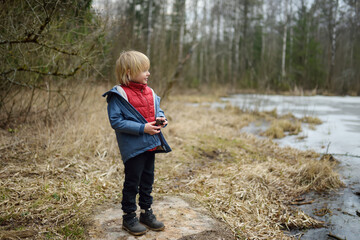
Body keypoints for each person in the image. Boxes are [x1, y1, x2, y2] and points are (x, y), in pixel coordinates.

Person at [102, 50, 171, 236]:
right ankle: (129, 217)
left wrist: (161, 118)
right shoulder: (119, 95)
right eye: (144, 70)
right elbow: (116, 122)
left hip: (150, 144)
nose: (148, 73)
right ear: (129, 72)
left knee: (148, 180)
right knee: (133, 182)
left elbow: (159, 110)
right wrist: (143, 128)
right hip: (134, 148)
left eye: (148, 70)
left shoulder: (149, 92)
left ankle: (146, 213)